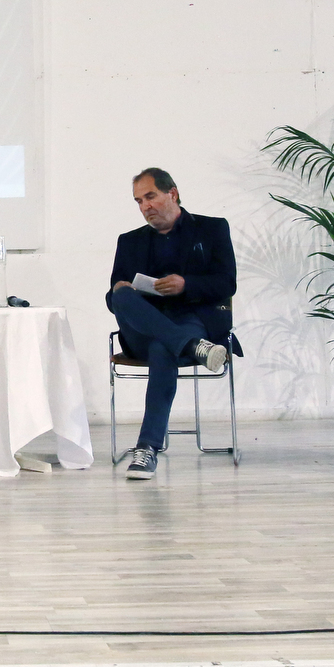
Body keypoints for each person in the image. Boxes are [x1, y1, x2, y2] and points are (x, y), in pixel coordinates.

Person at [106, 168, 236, 478]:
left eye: (150, 196)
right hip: (143, 328)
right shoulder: (130, 241)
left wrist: (186, 284)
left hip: (191, 320)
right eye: (139, 201)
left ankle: (147, 449)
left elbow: (227, 283)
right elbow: (114, 301)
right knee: (120, 295)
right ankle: (192, 347)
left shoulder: (212, 229)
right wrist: (122, 290)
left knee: (163, 348)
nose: (145, 206)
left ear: (172, 193)